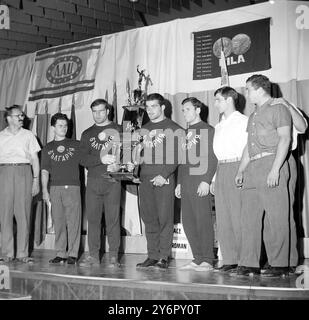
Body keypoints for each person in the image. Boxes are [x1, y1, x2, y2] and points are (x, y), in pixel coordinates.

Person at [235, 74, 292, 277]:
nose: (246, 93)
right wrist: (241, 169)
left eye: (248, 89)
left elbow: (285, 139)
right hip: (253, 167)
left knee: (276, 218)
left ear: (260, 89)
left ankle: (279, 265)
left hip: (271, 162)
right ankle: (248, 263)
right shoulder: (253, 115)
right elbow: (248, 147)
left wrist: (275, 169)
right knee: (248, 218)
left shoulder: (279, 109)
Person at [136, 93, 184, 269]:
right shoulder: (144, 128)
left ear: (163, 107)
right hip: (146, 178)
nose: (150, 110)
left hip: (164, 178)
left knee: (164, 219)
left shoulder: (174, 127)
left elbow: (178, 154)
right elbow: (140, 154)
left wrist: (163, 174)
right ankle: (152, 255)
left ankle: (163, 256)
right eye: (147, 107)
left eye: (154, 106)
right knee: (149, 219)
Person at [265, 97, 308, 272]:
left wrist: (287, 105)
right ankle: (274, 259)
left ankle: (286, 262)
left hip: (283, 160)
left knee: (282, 214)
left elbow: (303, 127)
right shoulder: (261, 112)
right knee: (269, 216)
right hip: (265, 161)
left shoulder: (285, 107)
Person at [175, 97, 217, 271]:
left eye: (188, 109)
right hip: (186, 182)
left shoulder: (207, 130)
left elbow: (212, 157)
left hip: (200, 181)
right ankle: (197, 258)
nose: (185, 113)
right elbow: (182, 161)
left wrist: (206, 180)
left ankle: (208, 258)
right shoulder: (185, 133)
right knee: (189, 222)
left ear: (198, 110)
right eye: (183, 110)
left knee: (203, 220)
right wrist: (178, 183)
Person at [79, 99, 122, 268]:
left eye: (101, 111)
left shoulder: (119, 129)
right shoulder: (87, 133)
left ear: (108, 111)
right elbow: (82, 158)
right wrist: (100, 158)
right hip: (94, 180)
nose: (98, 115)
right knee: (93, 220)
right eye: (94, 111)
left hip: (112, 180)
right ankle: (93, 256)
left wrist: (119, 164)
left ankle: (113, 257)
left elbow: (127, 153)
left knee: (113, 220)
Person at [211, 87, 248, 273]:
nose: (215, 104)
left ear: (228, 100)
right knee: (223, 217)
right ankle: (230, 259)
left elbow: (247, 151)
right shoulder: (219, 125)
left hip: (237, 167)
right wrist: (214, 178)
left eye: (218, 100)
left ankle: (245, 260)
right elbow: (219, 154)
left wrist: (241, 172)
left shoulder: (243, 121)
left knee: (238, 216)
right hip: (222, 169)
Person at [0, 105, 40, 263]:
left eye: (22, 115)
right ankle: (6, 253)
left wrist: (35, 180)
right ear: (9, 118)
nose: (22, 118)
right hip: (4, 173)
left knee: (23, 214)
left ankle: (23, 253)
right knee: (5, 214)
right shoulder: (1, 136)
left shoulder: (28, 135)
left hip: (24, 173)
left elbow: (35, 159)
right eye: (18, 115)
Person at [41, 113, 81, 265]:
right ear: (53, 127)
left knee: (73, 221)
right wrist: (45, 190)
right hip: (55, 188)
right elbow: (44, 170)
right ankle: (60, 253)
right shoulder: (47, 148)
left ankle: (73, 253)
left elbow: (88, 159)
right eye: (60, 125)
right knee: (58, 221)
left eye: (65, 125)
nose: (63, 128)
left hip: (72, 187)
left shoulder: (75, 145)